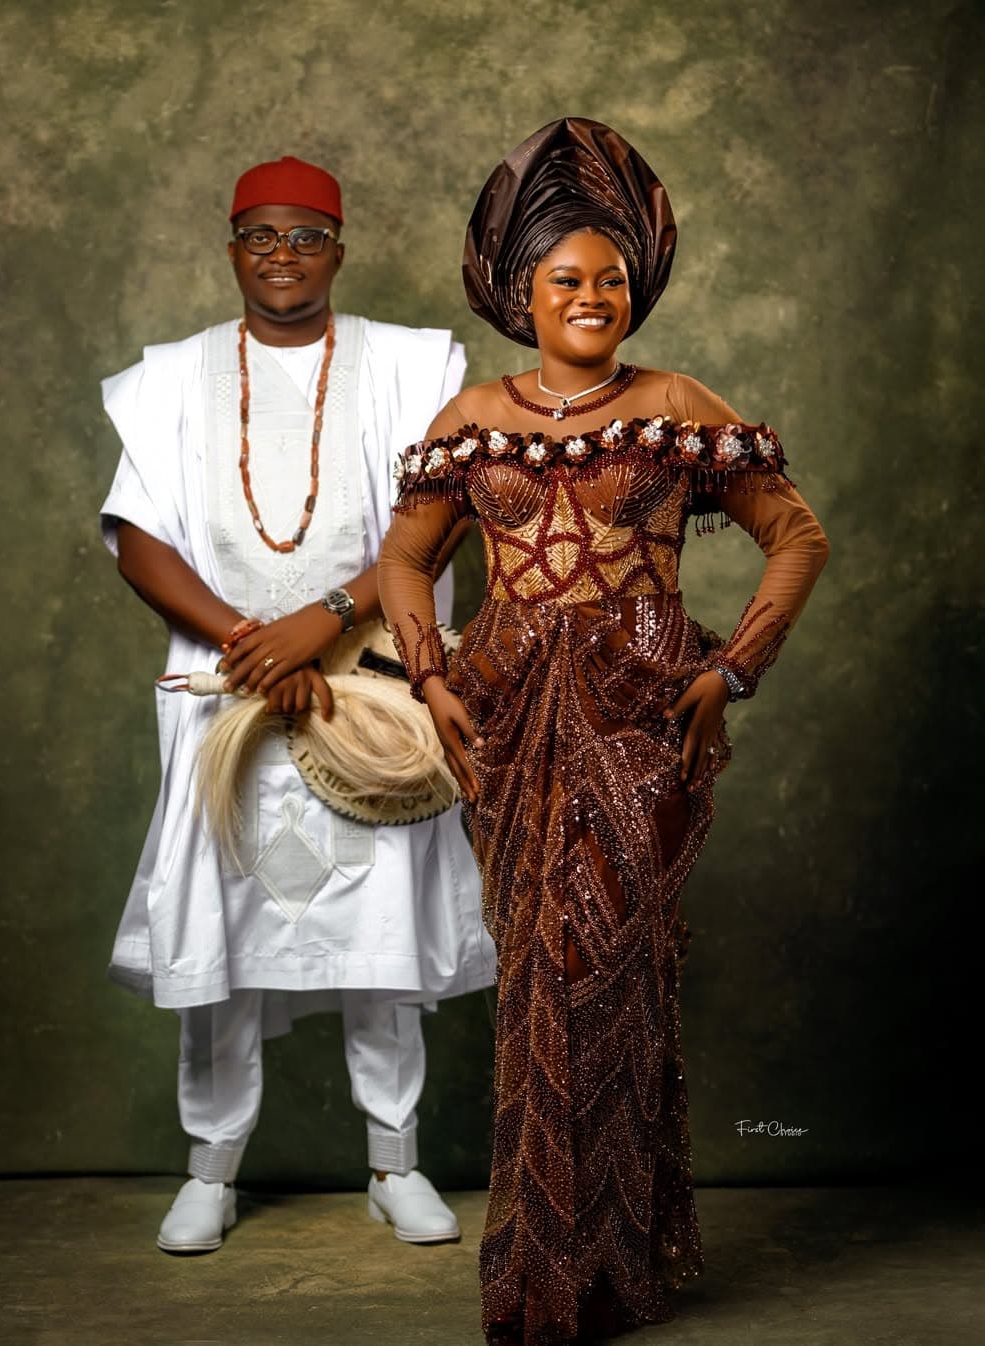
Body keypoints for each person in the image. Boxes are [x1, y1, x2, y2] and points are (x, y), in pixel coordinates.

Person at [377, 118, 830, 1344]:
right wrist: (429, 677)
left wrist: (730, 671)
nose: (591, 296)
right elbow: (406, 560)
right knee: (537, 976)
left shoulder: (678, 406)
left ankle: (608, 1264)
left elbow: (800, 537)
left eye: (610, 278)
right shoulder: (473, 418)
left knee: (607, 973)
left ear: (637, 285)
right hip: (510, 722)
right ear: (520, 290)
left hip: (641, 721)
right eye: (567, 279)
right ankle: (548, 1271)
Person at [98, 154, 495, 1254]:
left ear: (339, 249)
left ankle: (394, 1160)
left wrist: (324, 621)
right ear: (232, 246)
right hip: (226, 688)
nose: (283, 254)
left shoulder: (411, 367)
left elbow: (445, 512)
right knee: (218, 942)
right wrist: (251, 643)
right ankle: (212, 1171)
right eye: (261, 235)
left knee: (383, 934)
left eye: (306, 235)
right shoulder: (175, 376)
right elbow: (137, 535)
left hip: (366, 687)